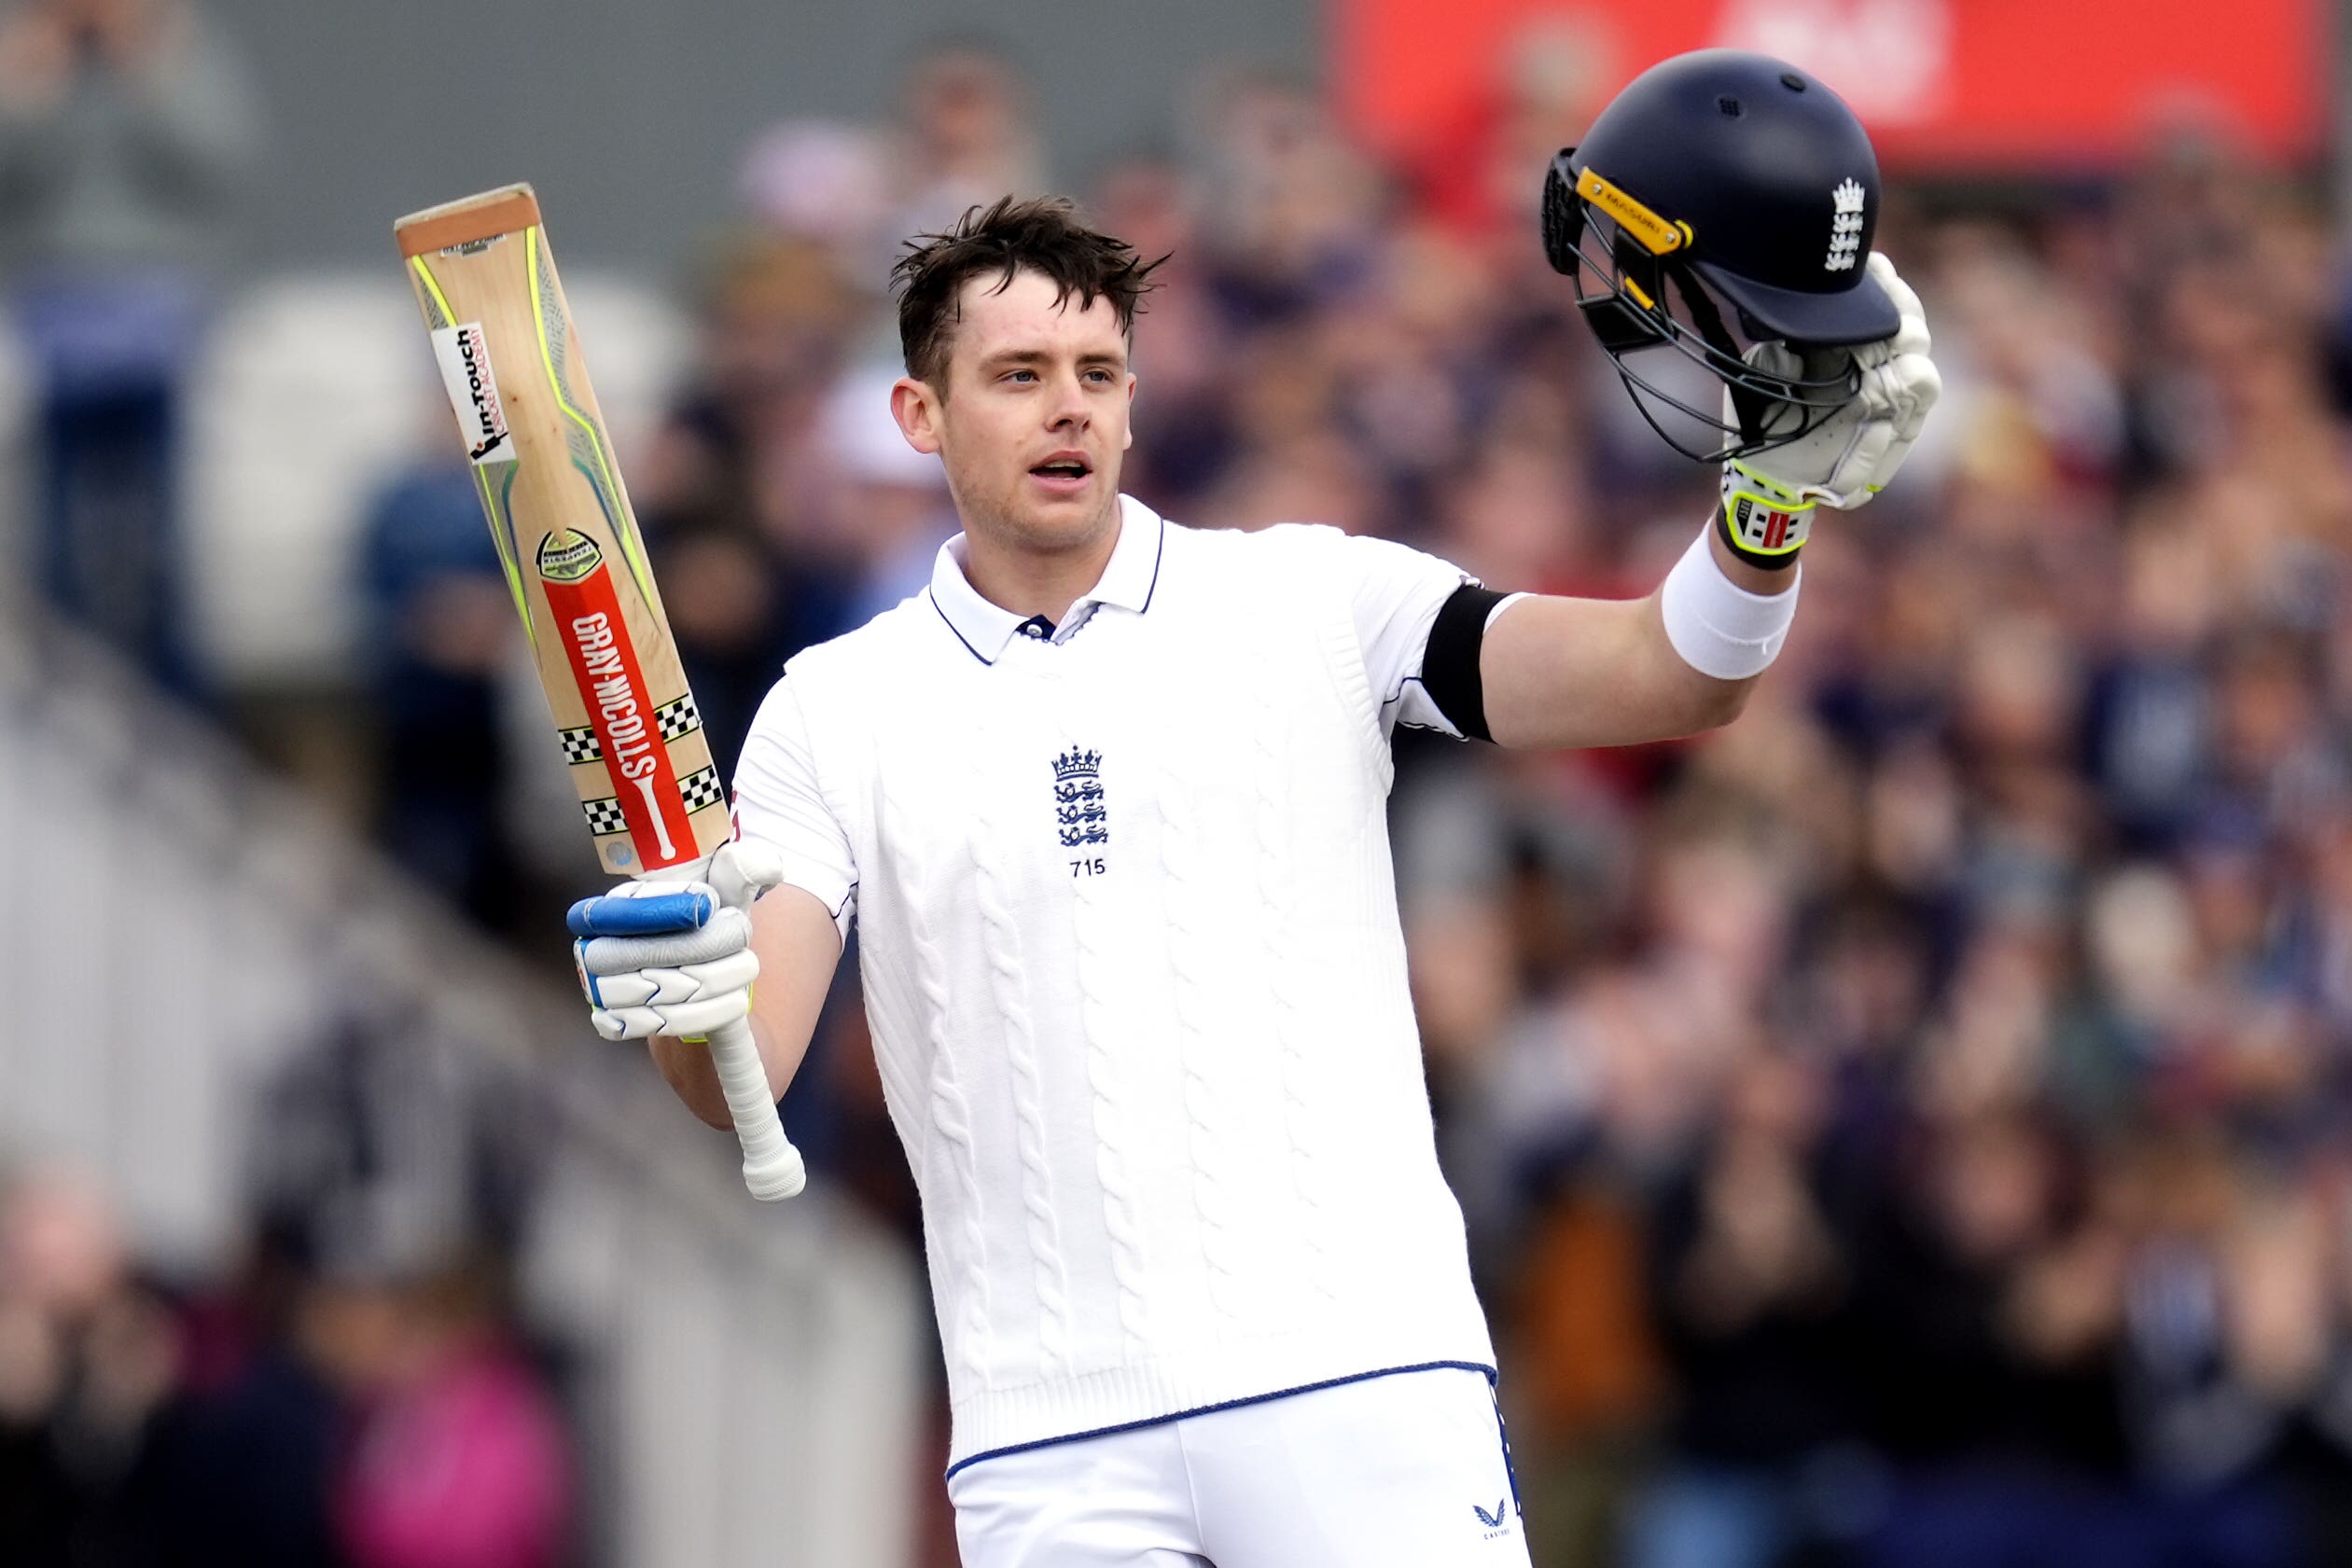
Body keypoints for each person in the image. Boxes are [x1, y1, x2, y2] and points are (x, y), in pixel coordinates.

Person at [565, 50, 1939, 1568]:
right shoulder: (835, 706)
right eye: (1016, 377)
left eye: (1095, 374)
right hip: (1048, 1441)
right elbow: (748, 1070)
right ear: (915, 411)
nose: (1064, 410)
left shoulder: (1309, 597)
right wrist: (684, 1000)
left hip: (1365, 1384)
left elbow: (1666, 673)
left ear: (1138, 402)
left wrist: (1766, 509)